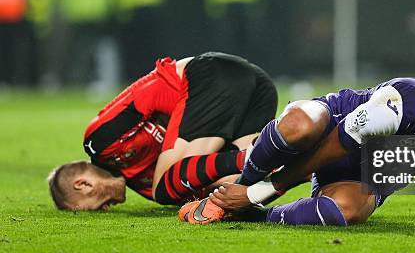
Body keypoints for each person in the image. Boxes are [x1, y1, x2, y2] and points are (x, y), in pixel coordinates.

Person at [181, 60, 415, 227]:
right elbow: (328, 151)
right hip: (337, 128)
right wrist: (254, 190)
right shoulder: (402, 103)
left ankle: (251, 215)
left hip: (375, 171)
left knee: (345, 211)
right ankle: (233, 193)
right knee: (299, 126)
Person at [48, 52, 278, 211]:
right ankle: (294, 157)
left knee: (165, 187)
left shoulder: (100, 142)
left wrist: (183, 111)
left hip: (209, 75)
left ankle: (259, 155)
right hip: (256, 91)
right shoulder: (144, 187)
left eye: (88, 210)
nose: (104, 211)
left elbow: (148, 93)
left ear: (82, 184)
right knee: (239, 184)